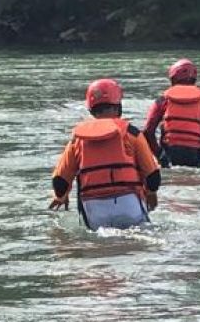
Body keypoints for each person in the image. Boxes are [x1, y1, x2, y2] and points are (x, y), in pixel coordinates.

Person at [49, 79, 161, 230]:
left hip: (94, 210)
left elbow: (60, 181)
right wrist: (151, 194)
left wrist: (61, 196)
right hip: (129, 205)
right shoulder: (131, 133)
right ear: (118, 105)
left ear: (91, 108)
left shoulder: (78, 139)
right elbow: (153, 176)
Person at [142, 58, 200, 168]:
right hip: (195, 156)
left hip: (169, 156)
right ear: (194, 79)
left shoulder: (163, 99)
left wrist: (159, 155)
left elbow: (147, 131)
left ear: (173, 79)